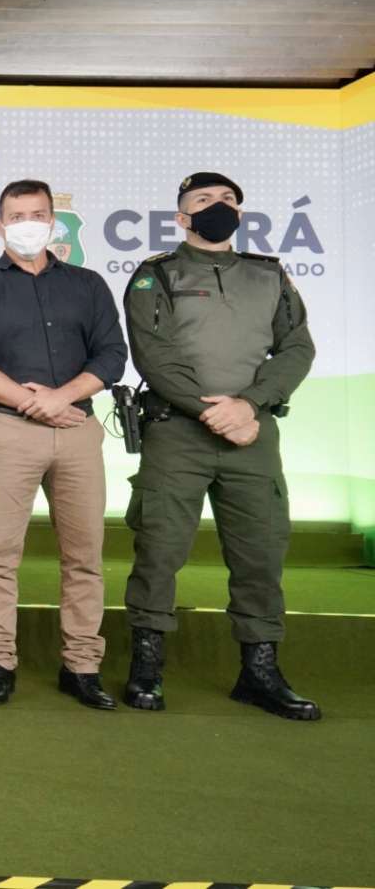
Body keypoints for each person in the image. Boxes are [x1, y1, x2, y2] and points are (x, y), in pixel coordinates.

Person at [121, 172, 319, 720]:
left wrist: (249, 406)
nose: (218, 206)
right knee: (159, 551)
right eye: (203, 200)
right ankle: (146, 667)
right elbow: (153, 356)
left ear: (241, 213)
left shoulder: (268, 274)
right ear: (181, 217)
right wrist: (215, 412)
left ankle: (259, 673)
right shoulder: (157, 274)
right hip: (177, 434)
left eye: (228, 199)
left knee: (261, 554)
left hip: (252, 436)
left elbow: (298, 348)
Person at [0, 179, 127, 709]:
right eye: (16, 216)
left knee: (85, 556)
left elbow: (111, 356)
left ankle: (82, 665)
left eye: (37, 214)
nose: (27, 224)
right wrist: (34, 403)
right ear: (0, 225)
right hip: (9, 431)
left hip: (77, 430)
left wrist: (61, 398)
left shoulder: (88, 285)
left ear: (53, 221)